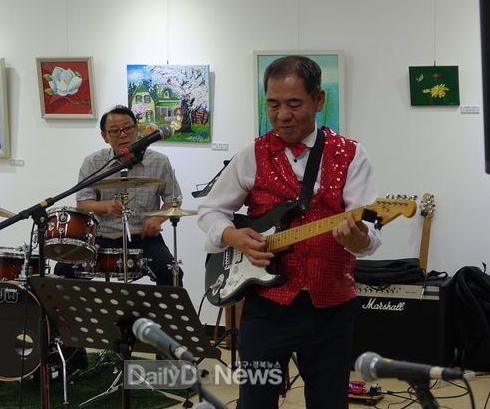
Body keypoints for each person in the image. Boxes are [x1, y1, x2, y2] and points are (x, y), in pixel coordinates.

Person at [198, 55, 381, 409]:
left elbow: (369, 230)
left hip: (331, 306)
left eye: (294, 103)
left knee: (329, 403)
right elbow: (210, 209)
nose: (283, 115)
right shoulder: (251, 153)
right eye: (274, 104)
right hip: (267, 309)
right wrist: (232, 235)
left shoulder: (352, 155)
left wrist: (359, 239)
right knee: (255, 401)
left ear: (319, 100)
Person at [54, 105, 183, 286]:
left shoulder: (159, 161)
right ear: (104, 136)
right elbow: (83, 203)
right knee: (63, 271)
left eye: (128, 128)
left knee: (170, 271)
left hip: (144, 238)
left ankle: (168, 314)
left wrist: (158, 218)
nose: (123, 135)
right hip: (101, 238)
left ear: (137, 128)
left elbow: (174, 200)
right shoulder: (93, 162)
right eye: (114, 131)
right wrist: (105, 206)